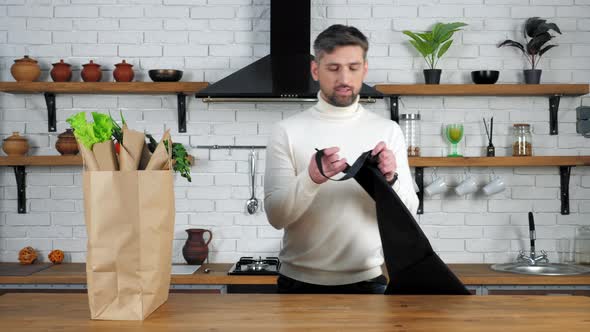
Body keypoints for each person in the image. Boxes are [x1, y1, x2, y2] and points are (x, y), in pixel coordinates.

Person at [263, 24, 419, 294]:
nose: (344, 78)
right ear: (316, 70)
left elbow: (409, 214)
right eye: (333, 68)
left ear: (365, 69)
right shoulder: (286, 130)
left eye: (353, 67)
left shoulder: (387, 131)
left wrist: (390, 180)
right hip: (297, 285)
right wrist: (311, 179)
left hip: (369, 283)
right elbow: (276, 216)